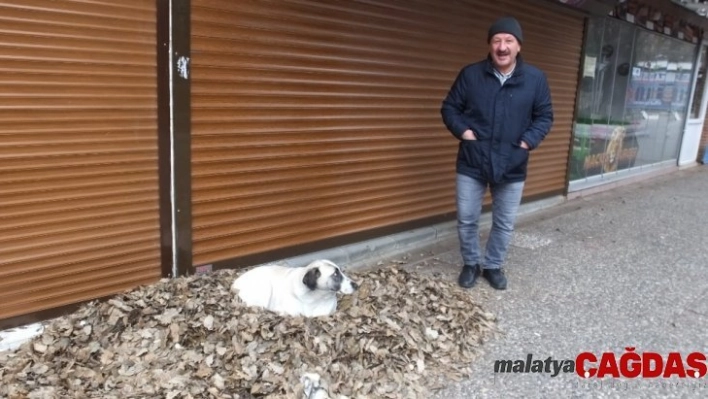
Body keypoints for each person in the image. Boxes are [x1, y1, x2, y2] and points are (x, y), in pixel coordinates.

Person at [440, 16, 553, 290]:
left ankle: (493, 265)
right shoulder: (471, 75)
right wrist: (466, 134)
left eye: (509, 41)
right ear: (490, 45)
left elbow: (544, 116)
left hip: (512, 162)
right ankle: (471, 263)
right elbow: (449, 108)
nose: (502, 47)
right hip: (473, 160)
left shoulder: (535, 79)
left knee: (504, 222)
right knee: (467, 218)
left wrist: (526, 143)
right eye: (497, 41)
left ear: (518, 46)